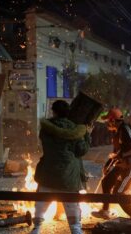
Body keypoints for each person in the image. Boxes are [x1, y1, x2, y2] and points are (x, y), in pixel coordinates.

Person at [31, 100, 91, 234]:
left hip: (48, 173)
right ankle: (76, 229)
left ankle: (36, 229)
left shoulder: (46, 128)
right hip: (69, 176)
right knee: (72, 209)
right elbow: (81, 150)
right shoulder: (76, 129)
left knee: (41, 204)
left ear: (54, 111)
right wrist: (87, 135)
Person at [91, 108, 131, 219]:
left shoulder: (126, 130)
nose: (106, 124)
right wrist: (108, 164)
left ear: (113, 120)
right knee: (106, 182)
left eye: (108, 121)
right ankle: (105, 211)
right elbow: (117, 151)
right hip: (122, 165)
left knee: (118, 193)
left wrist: (121, 156)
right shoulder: (118, 132)